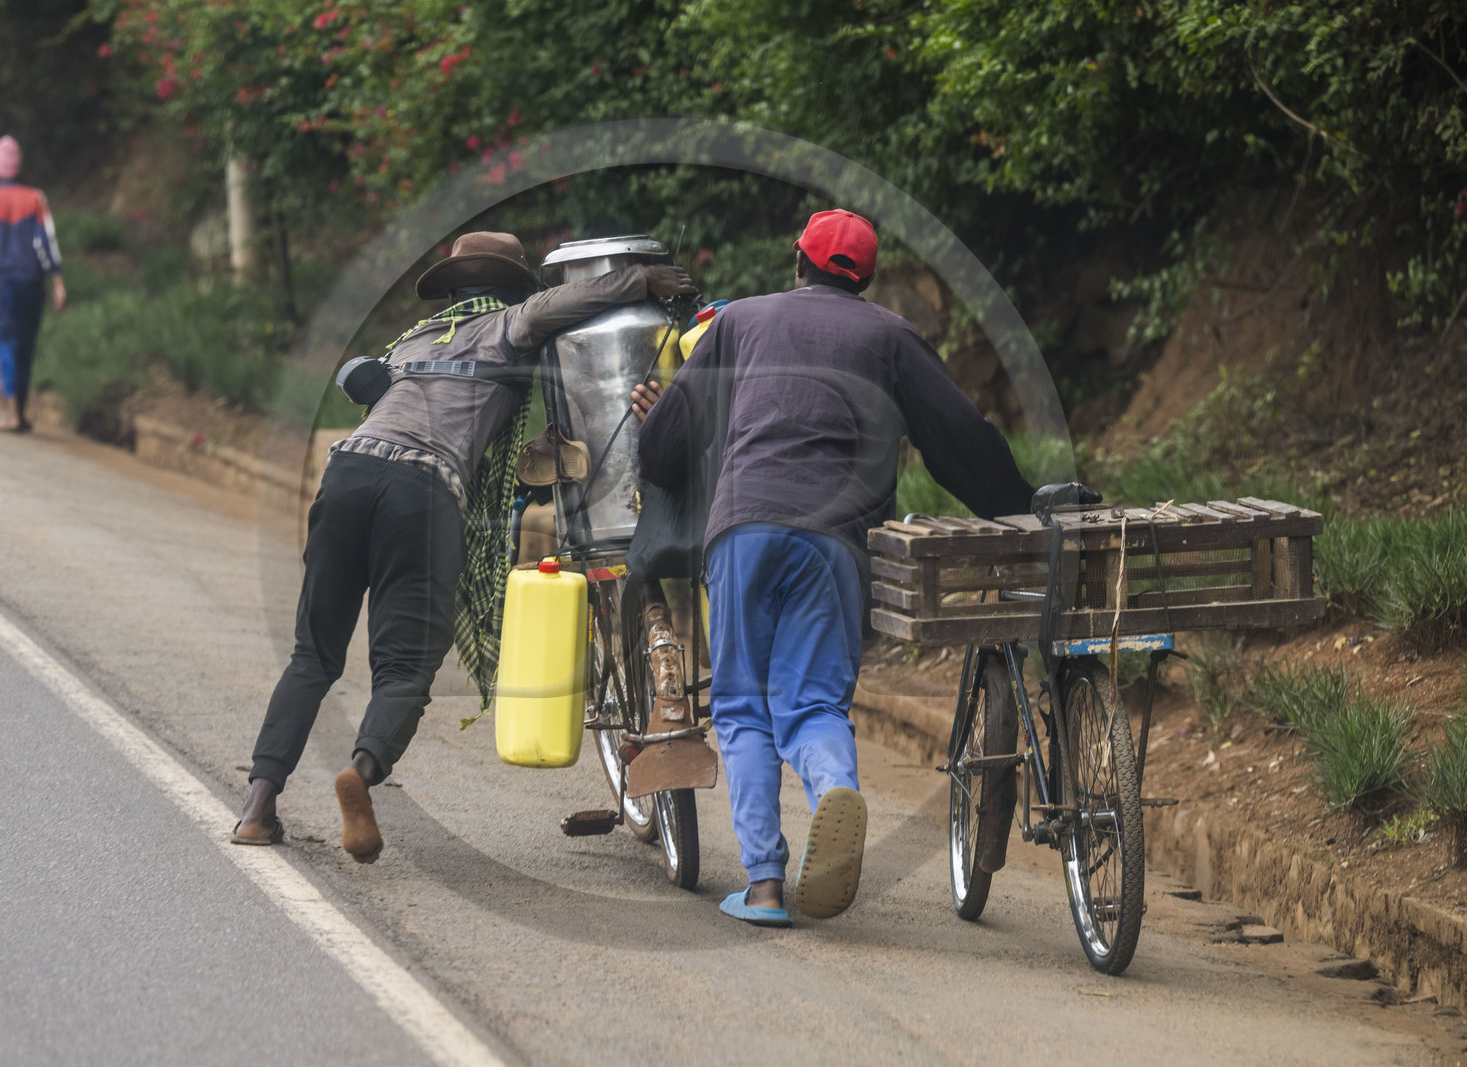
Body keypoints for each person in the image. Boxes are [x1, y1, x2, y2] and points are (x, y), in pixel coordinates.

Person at [232, 231, 696, 862]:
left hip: (345, 475)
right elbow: (564, 305)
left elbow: (368, 386)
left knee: (312, 655)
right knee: (404, 669)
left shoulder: (416, 338)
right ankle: (361, 773)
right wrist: (642, 283)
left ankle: (258, 808)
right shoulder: (506, 323)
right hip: (421, 492)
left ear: (454, 288)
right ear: (511, 286)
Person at [633, 209, 1035, 926]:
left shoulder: (740, 322)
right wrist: (1021, 506)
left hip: (743, 530)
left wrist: (652, 423)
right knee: (813, 704)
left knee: (741, 706)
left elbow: (664, 450)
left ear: (798, 260)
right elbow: (958, 439)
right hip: (835, 543)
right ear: (867, 279)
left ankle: (763, 885)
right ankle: (832, 795)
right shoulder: (889, 336)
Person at [0, 135, 66, 433]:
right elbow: (46, 242)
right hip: (31, 281)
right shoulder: (36, 198)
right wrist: (57, 282)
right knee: (26, 345)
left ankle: (12, 414)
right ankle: (19, 410)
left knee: (6, 343)